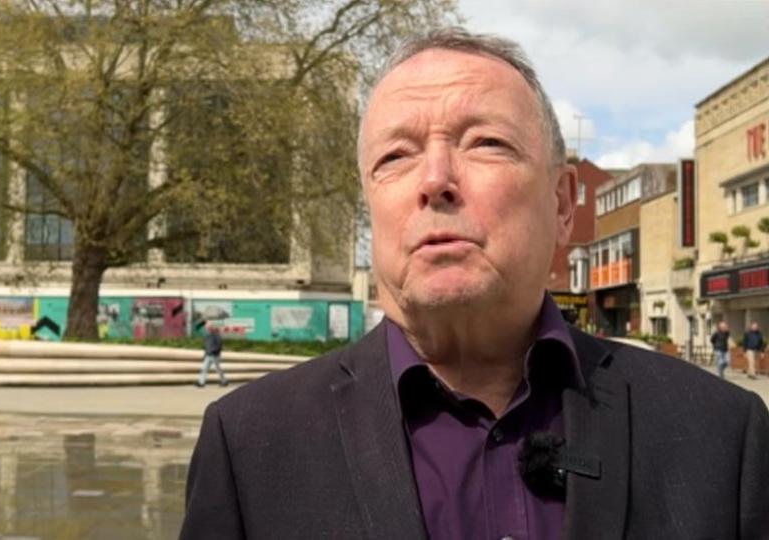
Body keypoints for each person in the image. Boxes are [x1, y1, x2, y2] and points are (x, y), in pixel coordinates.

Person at [180, 27, 769, 539]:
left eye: (485, 143)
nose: (434, 180)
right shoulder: (250, 445)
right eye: (395, 157)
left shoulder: (720, 435)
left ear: (563, 204)